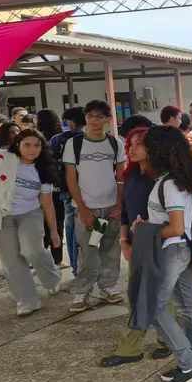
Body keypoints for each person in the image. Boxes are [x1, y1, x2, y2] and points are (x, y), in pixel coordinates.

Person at [139, 125, 192, 382]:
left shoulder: (169, 184)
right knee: (186, 305)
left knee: (153, 306)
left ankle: (188, 364)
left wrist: (144, 229)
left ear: (157, 150)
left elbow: (176, 227)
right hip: (180, 249)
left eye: (144, 144)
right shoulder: (175, 179)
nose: (141, 149)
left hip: (172, 249)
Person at [100, 126, 174, 368]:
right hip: (135, 244)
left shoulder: (163, 179)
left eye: (138, 144)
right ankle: (135, 347)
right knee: (138, 296)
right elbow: (125, 212)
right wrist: (124, 241)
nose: (131, 149)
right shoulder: (131, 176)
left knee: (161, 297)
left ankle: (165, 341)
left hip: (158, 244)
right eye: (130, 144)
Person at [64, 100, 126, 313]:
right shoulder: (74, 144)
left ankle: (107, 286)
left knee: (111, 248)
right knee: (88, 250)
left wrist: (119, 203)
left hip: (111, 206)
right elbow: (71, 179)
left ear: (108, 119)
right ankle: (82, 290)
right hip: (87, 208)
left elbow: (120, 177)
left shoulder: (115, 143)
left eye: (99, 116)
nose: (93, 120)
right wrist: (83, 209)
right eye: (90, 115)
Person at [0, 129, 62, 316]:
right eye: (27, 145)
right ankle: (27, 301)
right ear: (18, 145)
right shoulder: (1, 159)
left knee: (32, 250)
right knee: (12, 260)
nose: (32, 149)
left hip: (30, 213)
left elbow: (47, 203)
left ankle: (52, 277)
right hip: (1, 216)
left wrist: (54, 231)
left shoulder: (43, 170)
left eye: (36, 145)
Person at [50, 106, 86, 274]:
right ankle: (91, 263)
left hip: (66, 189)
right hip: (89, 189)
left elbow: (48, 161)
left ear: (71, 121)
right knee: (93, 227)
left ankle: (76, 266)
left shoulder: (58, 139)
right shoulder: (91, 138)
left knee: (71, 228)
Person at [36, 109, 66, 269]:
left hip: (41, 184)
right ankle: (57, 259)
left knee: (42, 224)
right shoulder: (62, 138)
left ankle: (40, 259)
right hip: (59, 184)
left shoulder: (38, 139)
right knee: (57, 221)